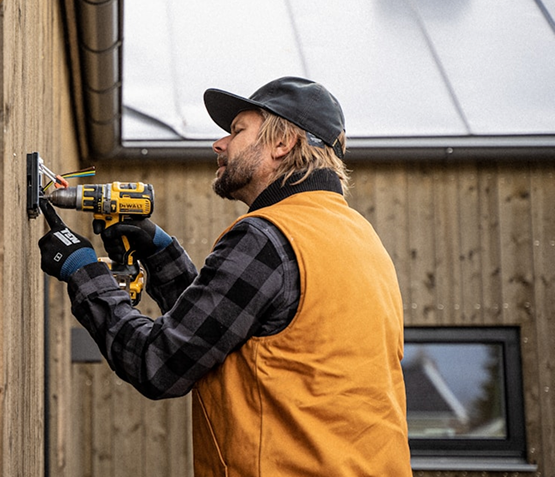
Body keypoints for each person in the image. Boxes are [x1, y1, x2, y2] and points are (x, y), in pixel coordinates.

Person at [38, 76, 411, 476]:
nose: (219, 144)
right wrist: (161, 253)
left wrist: (83, 271)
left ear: (282, 144)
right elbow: (226, 333)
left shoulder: (269, 236)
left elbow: (159, 363)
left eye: (236, 131)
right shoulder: (361, 239)